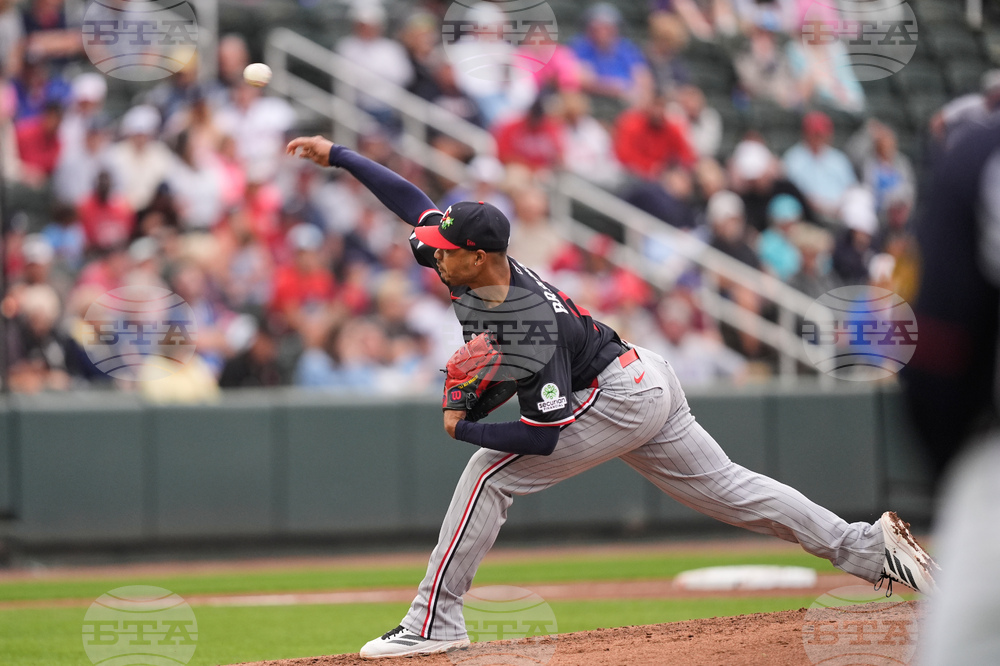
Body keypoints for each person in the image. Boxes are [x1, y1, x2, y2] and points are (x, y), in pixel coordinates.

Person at [286, 133, 938, 659]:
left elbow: (542, 435)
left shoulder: (524, 321)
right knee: (734, 489)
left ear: (480, 257)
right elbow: (412, 199)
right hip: (640, 374)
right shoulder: (464, 256)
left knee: (488, 476)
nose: (431, 252)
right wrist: (339, 156)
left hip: (616, 395)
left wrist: (466, 430)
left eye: (446, 250)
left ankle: (434, 623)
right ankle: (869, 549)